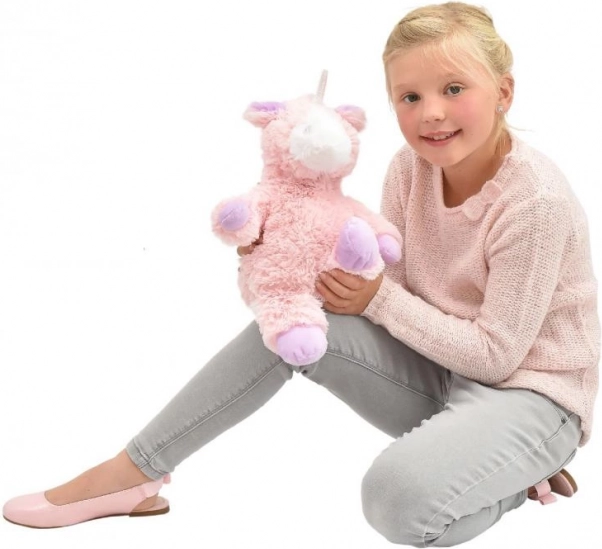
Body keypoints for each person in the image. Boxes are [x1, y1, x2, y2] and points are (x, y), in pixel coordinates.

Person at [3, 1, 599, 546]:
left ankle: (518, 475)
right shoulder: (409, 167)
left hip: (530, 394)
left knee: (397, 501)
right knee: (292, 320)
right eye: (410, 97)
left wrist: (375, 300)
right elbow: (388, 285)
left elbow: (494, 355)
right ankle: (135, 470)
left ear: (503, 92)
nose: (432, 113)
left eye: (454, 89)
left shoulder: (534, 204)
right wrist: (287, 253)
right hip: (439, 368)